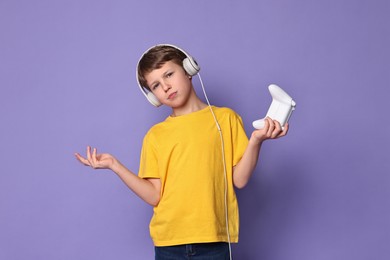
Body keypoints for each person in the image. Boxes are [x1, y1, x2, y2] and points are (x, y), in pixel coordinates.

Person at [75, 44, 289, 260]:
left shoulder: (225, 119)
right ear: (153, 96)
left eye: (169, 74)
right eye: (156, 85)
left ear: (189, 69)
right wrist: (114, 165)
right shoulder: (155, 135)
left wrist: (255, 141)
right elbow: (154, 194)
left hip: (213, 242)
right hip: (169, 243)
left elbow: (240, 180)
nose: (166, 86)